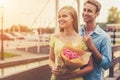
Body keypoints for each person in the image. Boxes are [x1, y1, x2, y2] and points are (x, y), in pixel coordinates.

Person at [49, 6, 94, 80]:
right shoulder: (54, 37)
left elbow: (90, 66)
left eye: (64, 16)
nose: (60, 19)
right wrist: (54, 67)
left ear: (73, 19)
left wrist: (70, 75)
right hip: (57, 78)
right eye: (59, 17)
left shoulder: (82, 40)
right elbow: (51, 59)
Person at [79, 0, 112, 80]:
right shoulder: (77, 33)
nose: (85, 13)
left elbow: (107, 64)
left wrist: (92, 47)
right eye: (84, 10)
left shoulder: (104, 37)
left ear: (97, 14)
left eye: (89, 11)